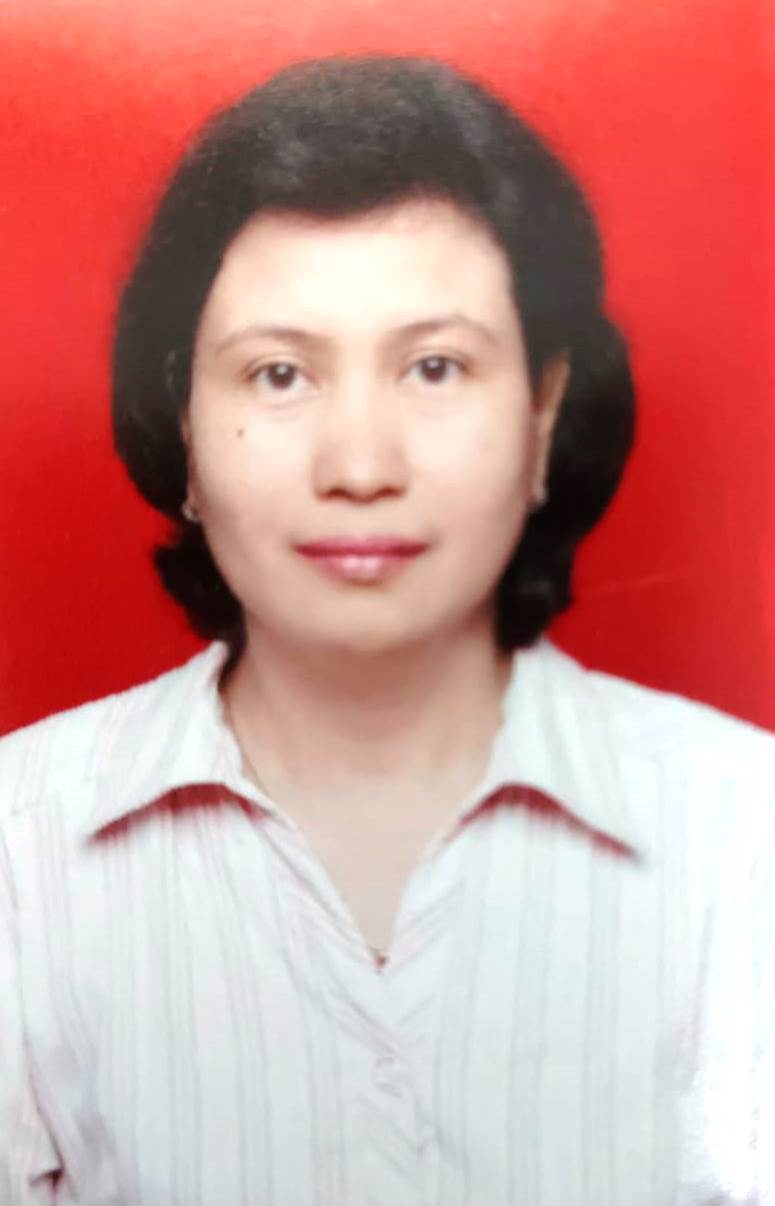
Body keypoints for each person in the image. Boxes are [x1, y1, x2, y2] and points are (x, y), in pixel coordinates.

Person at [1, 53, 773, 1206]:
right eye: (278, 374)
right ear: (185, 429)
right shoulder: (19, 851)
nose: (359, 466)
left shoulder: (743, 833)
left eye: (434, 366)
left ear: (542, 414)